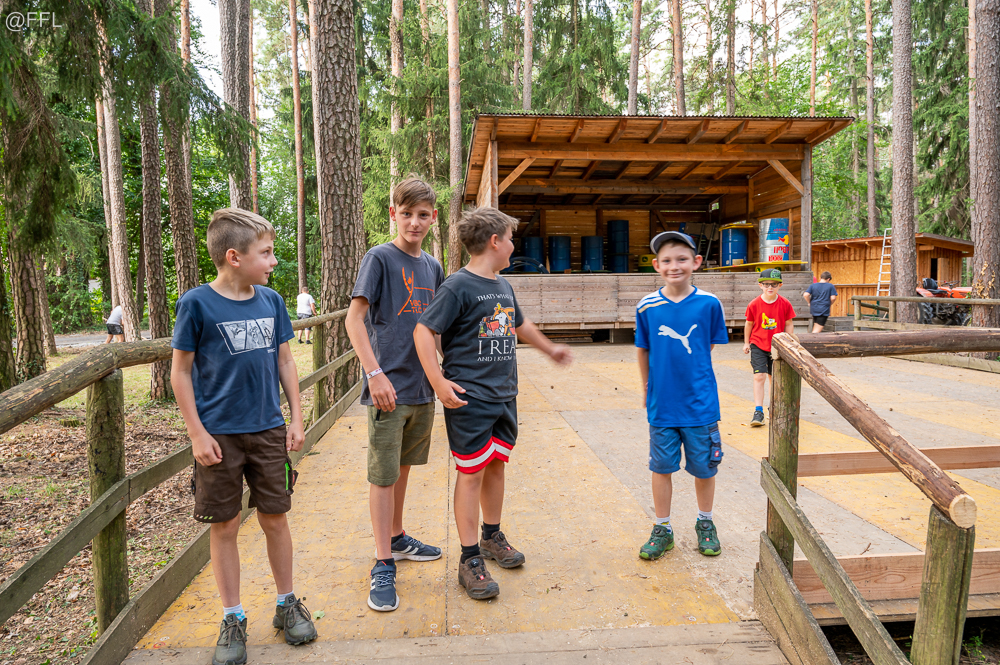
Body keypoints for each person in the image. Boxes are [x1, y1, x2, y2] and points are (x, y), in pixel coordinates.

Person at [170, 208, 317, 665]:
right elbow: (180, 372)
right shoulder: (196, 303)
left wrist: (295, 417)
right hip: (219, 436)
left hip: (268, 429)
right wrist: (196, 433)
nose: (273, 261)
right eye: (266, 253)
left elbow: (285, 361)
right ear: (234, 257)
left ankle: (286, 603)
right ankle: (232, 616)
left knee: (275, 516)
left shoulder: (271, 301)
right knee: (226, 524)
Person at [413, 207, 572, 601]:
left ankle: (491, 537)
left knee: (497, 464)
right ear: (495, 241)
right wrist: (438, 382)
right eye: (511, 239)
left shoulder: (503, 285)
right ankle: (469, 558)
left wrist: (550, 348)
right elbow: (423, 330)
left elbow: (519, 324)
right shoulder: (458, 286)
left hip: (504, 394)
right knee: (471, 474)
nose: (514, 246)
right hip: (470, 398)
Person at [344, 177, 446, 613]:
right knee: (383, 475)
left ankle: (397, 537)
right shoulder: (379, 258)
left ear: (433, 218)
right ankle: (383, 561)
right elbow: (354, 319)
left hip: (422, 388)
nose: (414, 222)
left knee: (403, 468)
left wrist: (446, 373)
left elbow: (437, 328)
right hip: (388, 387)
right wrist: (375, 374)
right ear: (393, 214)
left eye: (422, 215)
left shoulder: (434, 267)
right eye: (406, 214)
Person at [635, 231, 729, 560]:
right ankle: (663, 528)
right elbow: (643, 349)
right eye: (666, 260)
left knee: (705, 468)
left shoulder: (709, 303)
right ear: (656, 265)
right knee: (661, 467)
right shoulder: (647, 306)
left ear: (696, 262)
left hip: (700, 404)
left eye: (681, 259)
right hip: (662, 405)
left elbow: (707, 345)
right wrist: (648, 388)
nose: (674, 266)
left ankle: (705, 522)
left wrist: (691, 376)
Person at [743, 268, 795, 427]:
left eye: (774, 284)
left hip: (777, 346)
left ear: (780, 285)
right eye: (766, 284)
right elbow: (749, 324)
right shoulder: (754, 304)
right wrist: (746, 343)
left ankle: (774, 407)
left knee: (775, 378)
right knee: (759, 376)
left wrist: (789, 342)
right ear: (760, 285)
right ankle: (758, 411)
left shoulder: (785, 303)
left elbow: (789, 323)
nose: (770, 287)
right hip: (758, 344)